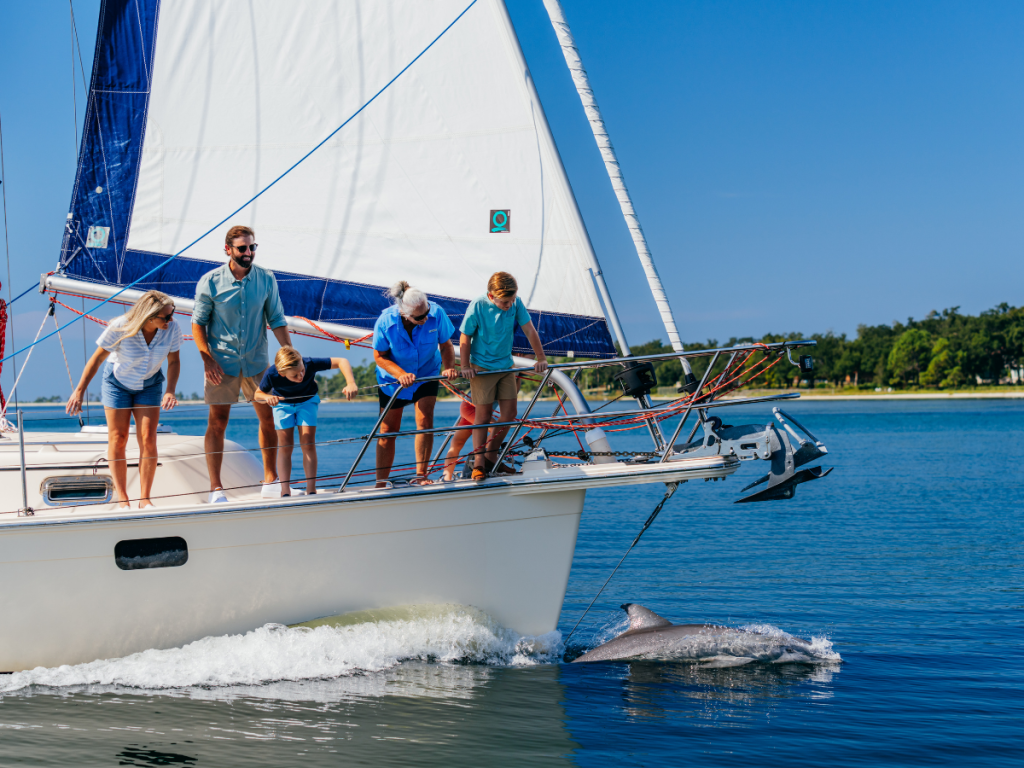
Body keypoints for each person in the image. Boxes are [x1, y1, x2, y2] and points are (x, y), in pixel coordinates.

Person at [193, 225, 292, 504]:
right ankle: (216, 488)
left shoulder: (266, 279)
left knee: (268, 417)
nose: (248, 253)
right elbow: (197, 324)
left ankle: (271, 480)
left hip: (257, 362)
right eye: (242, 248)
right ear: (228, 250)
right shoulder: (210, 281)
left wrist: (290, 355)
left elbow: (277, 320)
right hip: (220, 364)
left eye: (252, 247)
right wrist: (206, 358)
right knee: (218, 422)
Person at [66, 291, 181, 509]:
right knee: (118, 438)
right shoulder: (121, 325)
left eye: (171, 314)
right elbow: (97, 358)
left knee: (148, 438)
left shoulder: (171, 329)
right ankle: (122, 497)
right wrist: (79, 391)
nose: (171, 320)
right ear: (149, 317)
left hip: (150, 384)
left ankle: (145, 498)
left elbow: (174, 361)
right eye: (165, 317)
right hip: (117, 384)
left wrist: (170, 391)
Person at [459, 272, 547, 480]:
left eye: (512, 300)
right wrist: (465, 365)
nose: (509, 305)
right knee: (482, 415)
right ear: (491, 296)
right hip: (481, 367)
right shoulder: (478, 305)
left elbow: (529, 330)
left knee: (509, 413)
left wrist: (541, 357)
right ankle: (479, 464)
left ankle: (491, 456)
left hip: (505, 365)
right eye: (505, 302)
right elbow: (465, 335)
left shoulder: (515, 303)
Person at [372, 281, 458, 488]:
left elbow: (446, 345)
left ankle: (422, 475)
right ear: (404, 313)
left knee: (425, 421)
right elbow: (379, 356)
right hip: (392, 379)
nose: (426, 318)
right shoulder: (385, 322)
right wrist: (400, 374)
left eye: (426, 312)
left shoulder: (436, 313)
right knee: (388, 430)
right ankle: (381, 482)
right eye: (420, 317)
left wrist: (448, 367)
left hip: (426, 372)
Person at [253, 346, 358, 497]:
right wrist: (267, 397)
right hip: (282, 405)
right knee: (285, 445)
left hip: (307, 402)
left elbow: (342, 361)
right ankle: (284, 491)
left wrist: (350, 383)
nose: (301, 376)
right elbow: (258, 394)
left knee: (308, 442)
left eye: (301, 370)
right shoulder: (272, 373)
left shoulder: (309, 363)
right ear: (282, 374)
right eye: (295, 375)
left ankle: (311, 489)